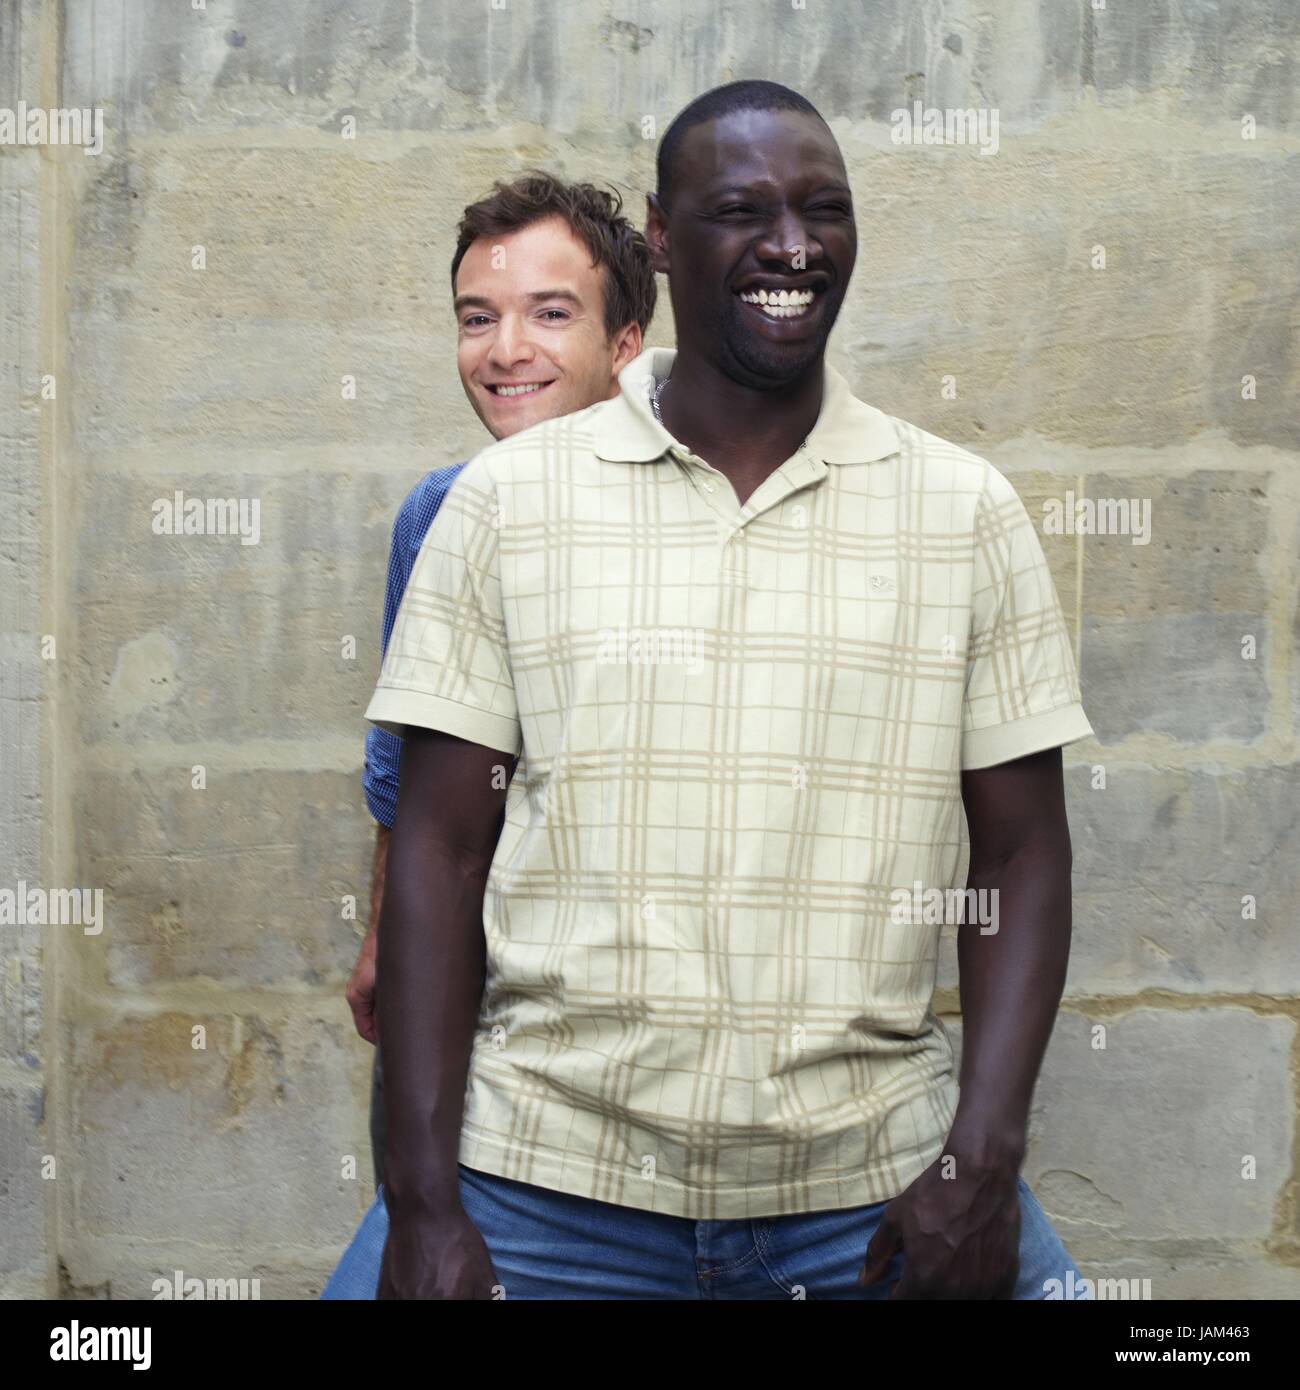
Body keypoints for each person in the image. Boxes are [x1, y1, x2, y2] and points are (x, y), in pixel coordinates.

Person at [324, 80, 1096, 1300]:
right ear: (665, 239)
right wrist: (423, 1204)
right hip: (545, 1181)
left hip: (870, 1184)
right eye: (744, 211)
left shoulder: (961, 512)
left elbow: (1018, 856)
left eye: (821, 210)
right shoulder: (506, 506)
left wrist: (979, 1165)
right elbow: (437, 850)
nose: (791, 245)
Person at [342, 171, 655, 1193]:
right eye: (478, 318)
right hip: (458, 993)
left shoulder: (688, 511)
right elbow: (403, 771)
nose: (504, 350)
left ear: (624, 342)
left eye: (548, 314)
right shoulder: (436, 514)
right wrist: (384, 939)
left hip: (624, 1018)